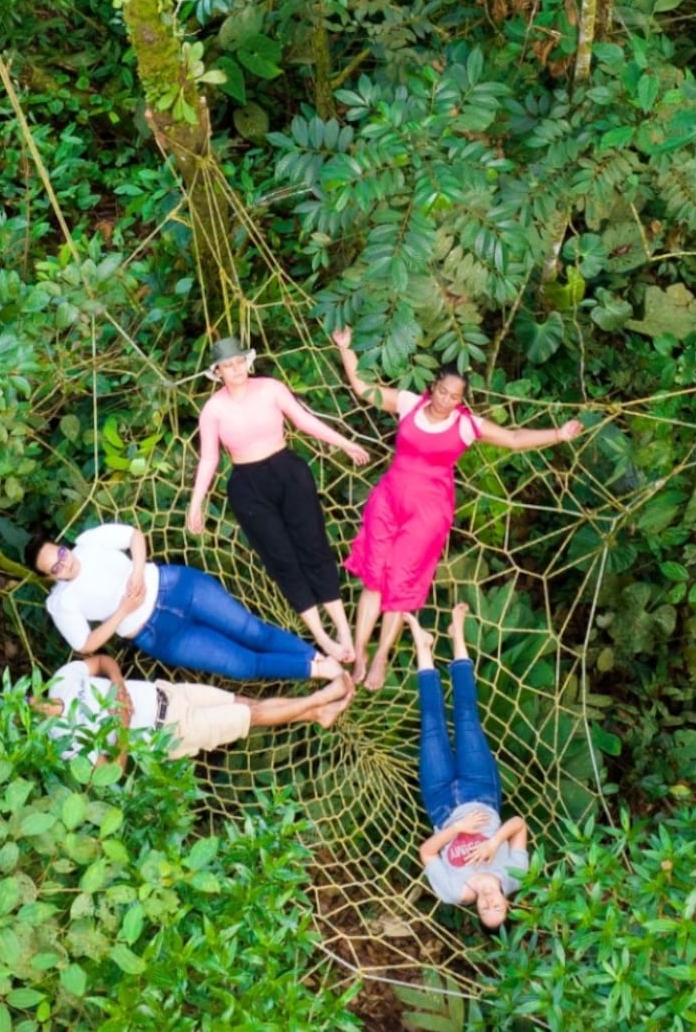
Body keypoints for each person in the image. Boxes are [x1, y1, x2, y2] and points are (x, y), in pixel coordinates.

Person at [332, 327, 584, 689]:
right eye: (442, 391)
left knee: (400, 583)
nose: (445, 400)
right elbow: (362, 388)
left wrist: (557, 434)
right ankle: (358, 653)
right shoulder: (408, 403)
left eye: (454, 396)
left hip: (428, 513)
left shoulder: (466, 425)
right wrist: (346, 348)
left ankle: (381, 657)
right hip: (388, 499)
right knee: (373, 577)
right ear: (432, 386)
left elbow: (513, 439)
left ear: (461, 400)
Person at [188, 335, 371, 665]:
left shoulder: (271, 388)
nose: (236, 369)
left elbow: (304, 421)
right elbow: (209, 459)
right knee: (282, 559)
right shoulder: (213, 409)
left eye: (239, 362)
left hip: (288, 472)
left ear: (248, 361)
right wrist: (196, 504)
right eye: (228, 366)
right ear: (218, 372)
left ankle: (343, 629)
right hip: (248, 487)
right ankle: (322, 637)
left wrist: (345, 443)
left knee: (313, 546)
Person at [23, 520, 343, 682]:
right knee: (242, 665)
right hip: (158, 633)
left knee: (252, 631)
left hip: (176, 587)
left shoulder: (87, 542)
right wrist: (123, 611)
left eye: (60, 554)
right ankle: (315, 670)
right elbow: (86, 644)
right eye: (55, 567)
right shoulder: (62, 603)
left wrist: (136, 573)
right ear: (49, 576)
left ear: (62, 545)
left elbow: (134, 536)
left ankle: (318, 656)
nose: (64, 563)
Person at [408, 605, 528, 929]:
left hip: (441, 803)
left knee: (431, 724)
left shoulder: (452, 892)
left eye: (486, 911)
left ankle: (423, 647)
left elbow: (427, 853)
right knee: (466, 715)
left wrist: (456, 831)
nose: (490, 904)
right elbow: (519, 824)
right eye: (498, 908)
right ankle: (457, 635)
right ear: (507, 903)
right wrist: (492, 842)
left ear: (477, 912)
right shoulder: (516, 875)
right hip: (480, 790)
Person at [37, 653, 354, 765]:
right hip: (171, 733)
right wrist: (121, 728)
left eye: (26, 700)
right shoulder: (65, 739)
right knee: (250, 716)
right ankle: (322, 698)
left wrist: (118, 685)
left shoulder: (62, 680)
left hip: (169, 694)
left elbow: (103, 662)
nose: (35, 707)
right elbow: (112, 772)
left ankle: (318, 715)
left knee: (246, 704)